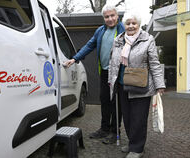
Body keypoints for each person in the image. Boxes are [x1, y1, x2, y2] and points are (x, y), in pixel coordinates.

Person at [64, 4, 125, 144]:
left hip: (118, 73)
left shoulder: (123, 29)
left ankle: (115, 132)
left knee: (116, 103)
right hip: (104, 71)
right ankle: (104, 129)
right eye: (106, 16)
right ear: (103, 18)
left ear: (117, 16)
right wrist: (74, 58)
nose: (110, 19)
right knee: (104, 100)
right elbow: (89, 45)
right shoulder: (100, 31)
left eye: (112, 16)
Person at [108, 12, 165, 158]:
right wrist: (111, 80)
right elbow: (112, 62)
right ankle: (133, 142)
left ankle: (138, 148)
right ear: (124, 25)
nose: (131, 26)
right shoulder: (118, 40)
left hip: (141, 85)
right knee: (127, 117)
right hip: (122, 85)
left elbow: (154, 63)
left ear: (139, 25)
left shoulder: (147, 39)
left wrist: (160, 84)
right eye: (128, 23)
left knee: (138, 118)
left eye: (134, 23)